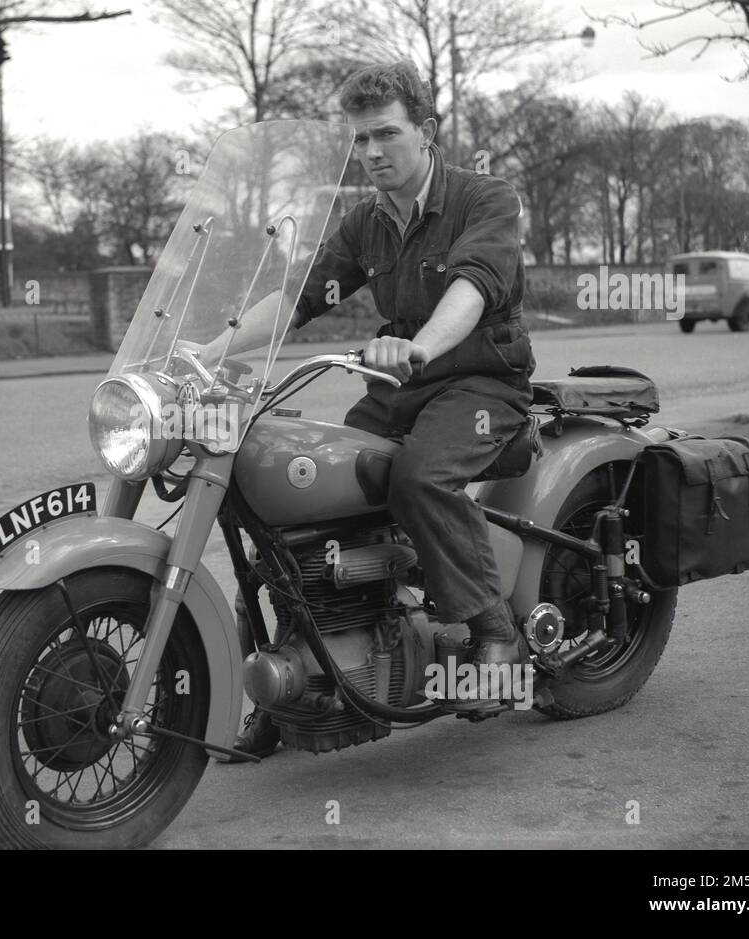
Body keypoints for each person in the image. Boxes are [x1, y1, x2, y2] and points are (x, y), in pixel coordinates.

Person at [199, 60, 536, 745]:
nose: (373, 152)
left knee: (419, 476)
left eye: (385, 134)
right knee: (307, 488)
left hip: (481, 383)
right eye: (360, 140)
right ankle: (299, 675)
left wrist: (419, 348)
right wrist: (207, 352)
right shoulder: (366, 224)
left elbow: (469, 290)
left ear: (428, 132)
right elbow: (299, 298)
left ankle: (494, 631)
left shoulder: (485, 198)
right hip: (399, 389)